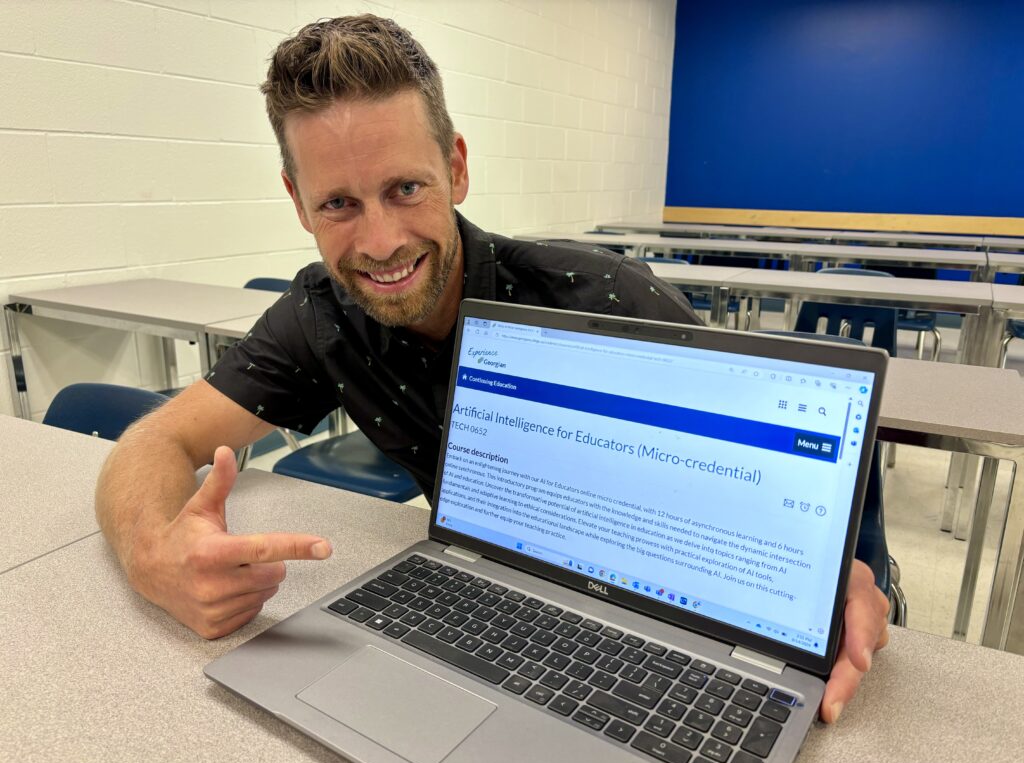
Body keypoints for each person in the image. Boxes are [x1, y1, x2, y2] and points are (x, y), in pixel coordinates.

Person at [95, 14, 887, 723]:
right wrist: (152, 555)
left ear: (458, 168)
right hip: (479, 610)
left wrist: (833, 579)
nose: (379, 242)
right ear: (298, 202)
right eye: (339, 204)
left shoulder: (609, 300)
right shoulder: (319, 314)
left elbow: (797, 504)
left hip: (654, 642)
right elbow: (158, 441)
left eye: (406, 187)